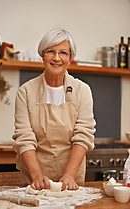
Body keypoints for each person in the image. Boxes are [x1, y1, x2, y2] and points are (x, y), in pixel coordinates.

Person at [13, 29, 96, 191]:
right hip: (35, 178)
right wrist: (37, 177)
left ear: (70, 57)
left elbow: (83, 135)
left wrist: (70, 175)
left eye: (63, 53)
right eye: (51, 51)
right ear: (42, 55)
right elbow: (24, 137)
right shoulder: (26, 92)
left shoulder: (82, 90)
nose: (57, 58)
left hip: (71, 180)